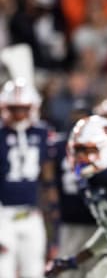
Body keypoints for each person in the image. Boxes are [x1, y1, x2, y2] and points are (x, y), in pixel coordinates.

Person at [45, 115, 107, 277]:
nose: (81, 157)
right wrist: (75, 260)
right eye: (78, 151)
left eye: (89, 151)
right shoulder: (88, 182)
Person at [0, 78, 55, 278]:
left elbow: (47, 179)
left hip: (32, 214)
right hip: (3, 215)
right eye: (14, 109)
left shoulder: (41, 133)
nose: (19, 114)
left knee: (34, 271)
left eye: (23, 108)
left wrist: (52, 218)